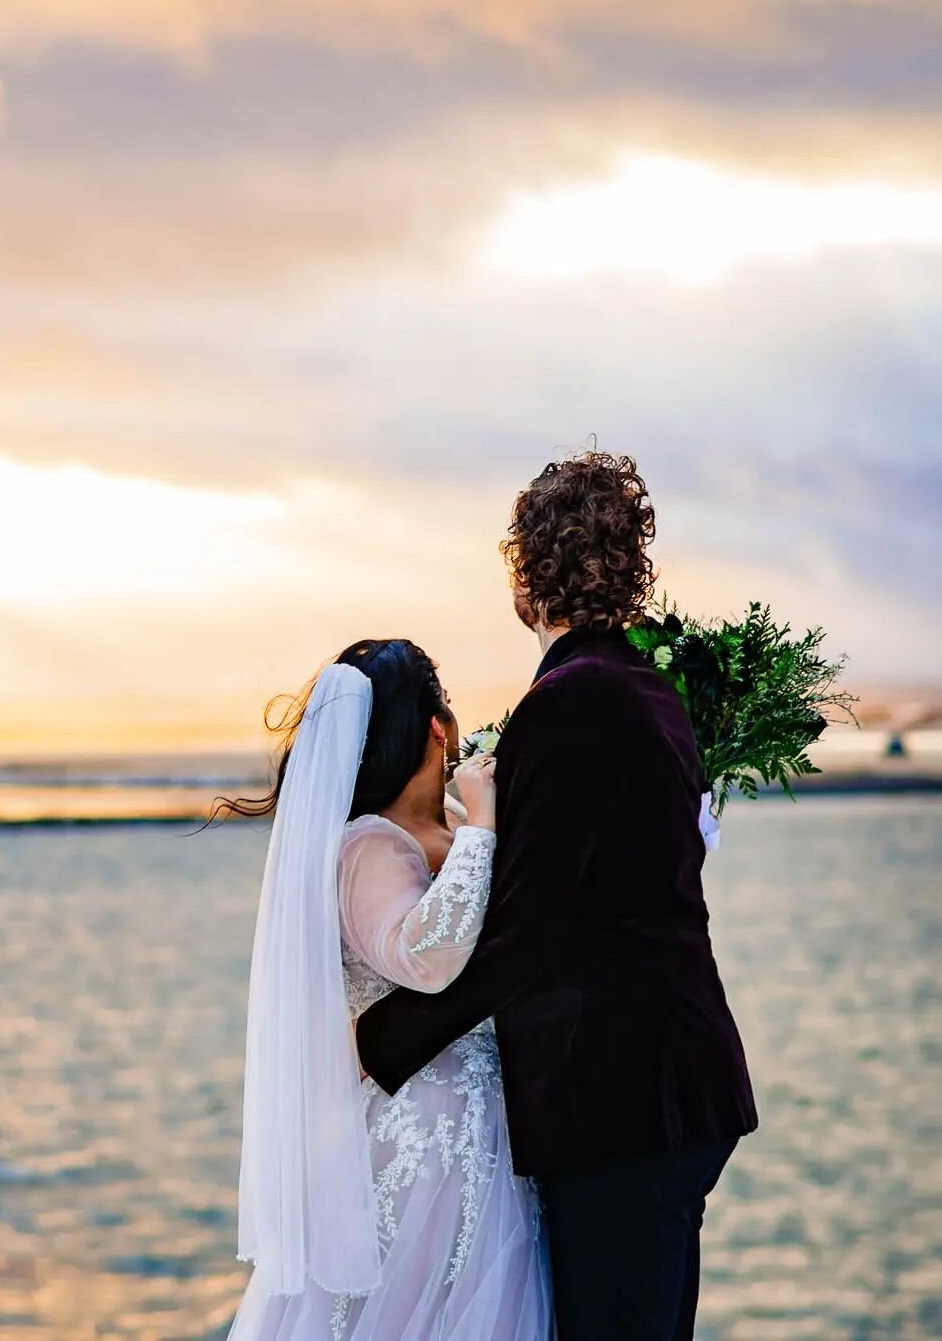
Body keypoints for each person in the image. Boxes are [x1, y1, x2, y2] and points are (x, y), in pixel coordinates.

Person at [356, 451, 758, 1340]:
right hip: (676, 1084)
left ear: (524, 584)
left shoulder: (565, 706)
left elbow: (527, 930)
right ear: (629, 573)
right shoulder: (655, 697)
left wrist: (381, 1040)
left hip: (622, 1102)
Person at [224, 639, 553, 1340]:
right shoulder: (367, 844)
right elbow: (425, 958)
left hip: (490, 1133)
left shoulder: (456, 831)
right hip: (420, 1150)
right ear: (441, 729)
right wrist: (484, 824)